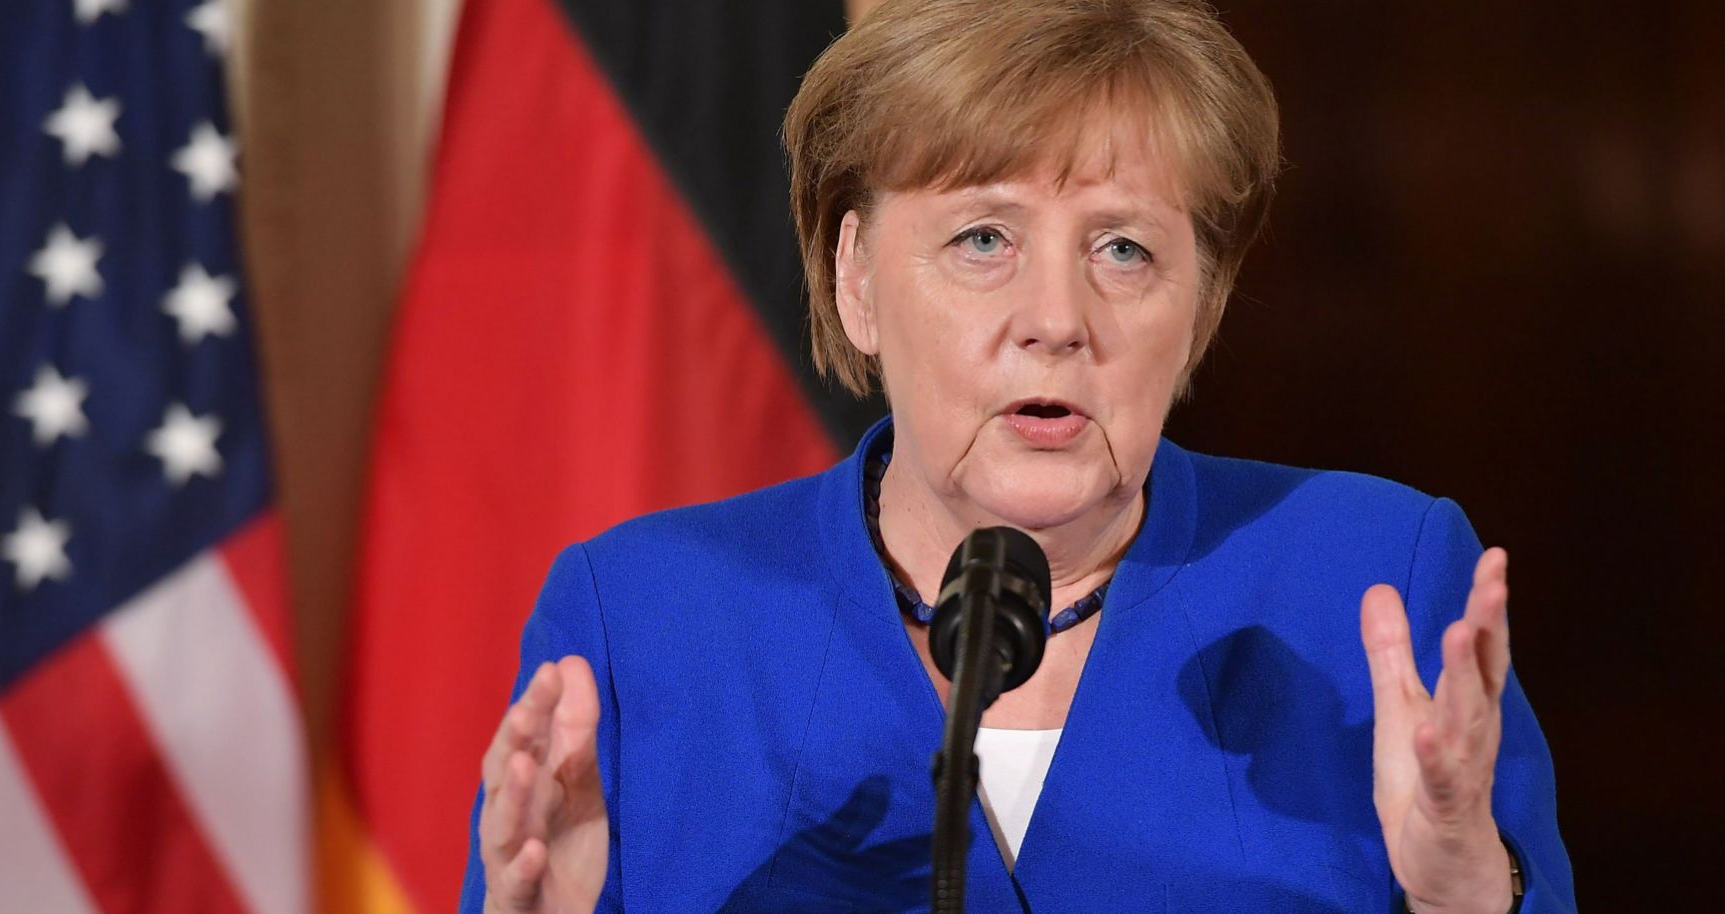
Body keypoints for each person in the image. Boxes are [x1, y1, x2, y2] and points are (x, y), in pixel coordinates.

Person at [462, 0, 1574, 911]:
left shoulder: (1371, 583)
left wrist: (1465, 890)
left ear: (1201, 304)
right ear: (856, 278)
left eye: (1125, 248)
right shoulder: (644, 619)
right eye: (982, 237)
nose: (1057, 315)